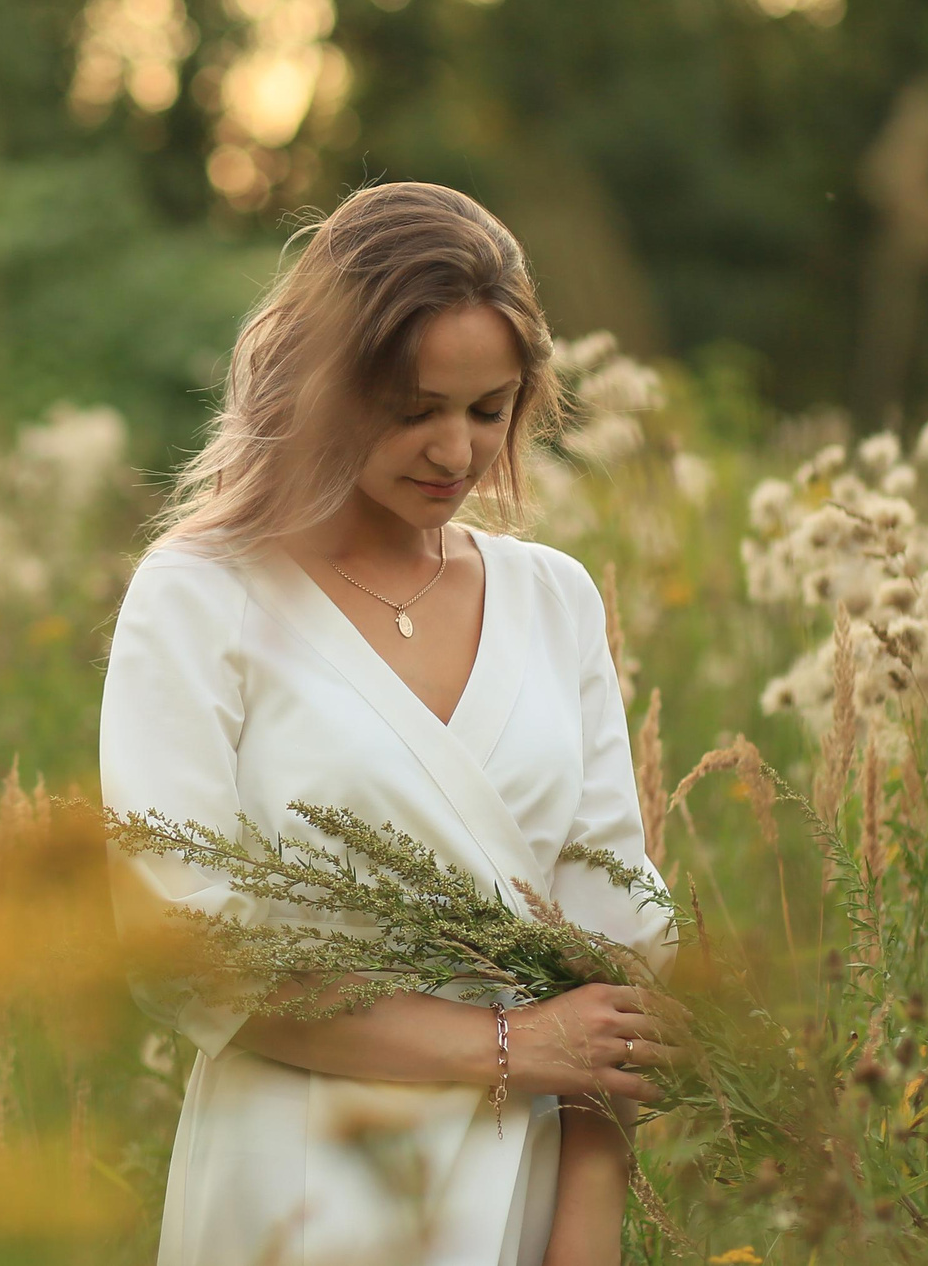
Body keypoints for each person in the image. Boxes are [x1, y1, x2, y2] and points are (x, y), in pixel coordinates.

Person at [99, 181, 681, 1266]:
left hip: (532, 1178)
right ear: (319, 386)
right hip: (301, 1185)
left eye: (486, 409)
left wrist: (584, 1231)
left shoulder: (553, 599)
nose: (453, 453)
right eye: (410, 409)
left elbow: (615, 966)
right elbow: (187, 959)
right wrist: (507, 1044)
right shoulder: (199, 597)